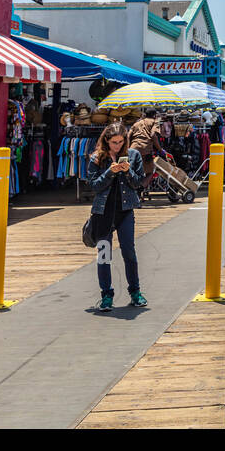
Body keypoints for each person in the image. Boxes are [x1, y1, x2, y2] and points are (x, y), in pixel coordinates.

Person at [87, 123, 147, 311]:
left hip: (125, 211)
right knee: (104, 255)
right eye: (114, 142)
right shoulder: (97, 158)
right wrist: (109, 172)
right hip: (103, 213)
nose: (118, 146)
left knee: (129, 252)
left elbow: (139, 183)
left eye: (121, 142)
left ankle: (135, 292)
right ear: (106, 140)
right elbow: (94, 185)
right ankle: (106, 295)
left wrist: (128, 171)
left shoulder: (133, 155)